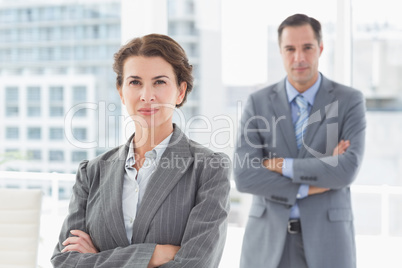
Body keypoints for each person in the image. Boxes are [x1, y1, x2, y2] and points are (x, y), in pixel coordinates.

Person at [51, 34, 230, 268]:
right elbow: (64, 261)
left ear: (180, 91)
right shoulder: (92, 172)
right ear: (120, 91)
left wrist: (95, 259)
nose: (147, 95)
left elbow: (195, 264)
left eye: (160, 82)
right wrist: (153, 255)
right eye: (135, 82)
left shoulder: (209, 169)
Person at [234, 14, 366, 268]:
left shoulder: (349, 100)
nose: (299, 58)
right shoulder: (257, 102)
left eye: (307, 47)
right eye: (290, 49)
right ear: (281, 52)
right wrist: (313, 182)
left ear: (321, 48)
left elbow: (346, 170)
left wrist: (281, 165)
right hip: (267, 243)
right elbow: (244, 175)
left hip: (328, 242)